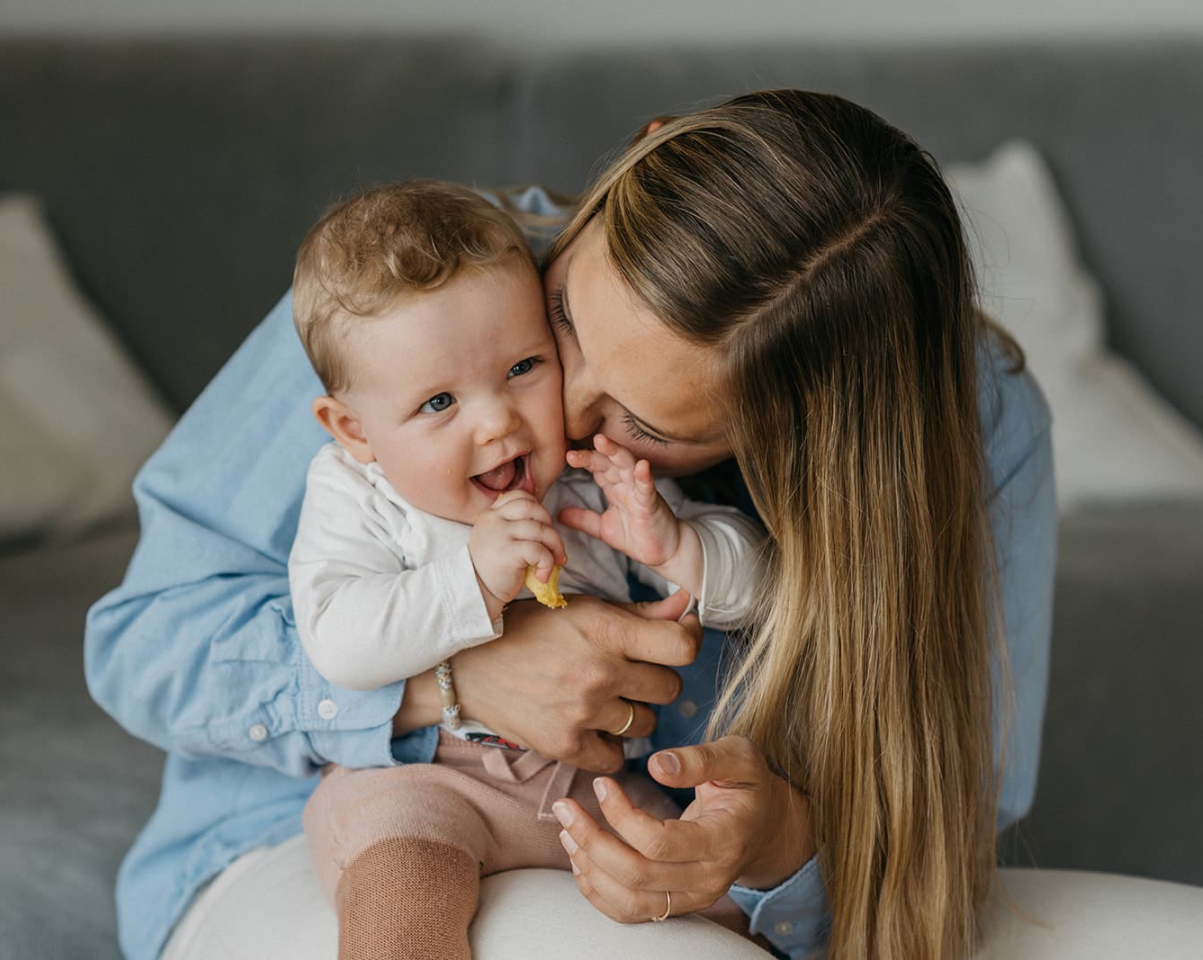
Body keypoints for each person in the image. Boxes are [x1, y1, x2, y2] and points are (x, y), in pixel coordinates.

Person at [85, 88, 1055, 960]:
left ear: (801, 444)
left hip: (624, 832)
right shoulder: (420, 291)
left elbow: (944, 816)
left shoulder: (981, 422)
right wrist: (450, 680)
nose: (543, 419)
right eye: (565, 324)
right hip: (323, 825)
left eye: (646, 423)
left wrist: (782, 849)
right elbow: (142, 647)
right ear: (641, 151)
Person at [285, 180, 764, 957]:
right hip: (429, 778)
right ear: (354, 429)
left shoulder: (582, 472)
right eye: (439, 402)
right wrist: (473, 580)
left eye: (522, 368)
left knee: (720, 910)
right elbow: (339, 642)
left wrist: (678, 544)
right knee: (400, 898)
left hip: (595, 781)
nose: (498, 421)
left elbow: (764, 586)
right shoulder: (355, 492)